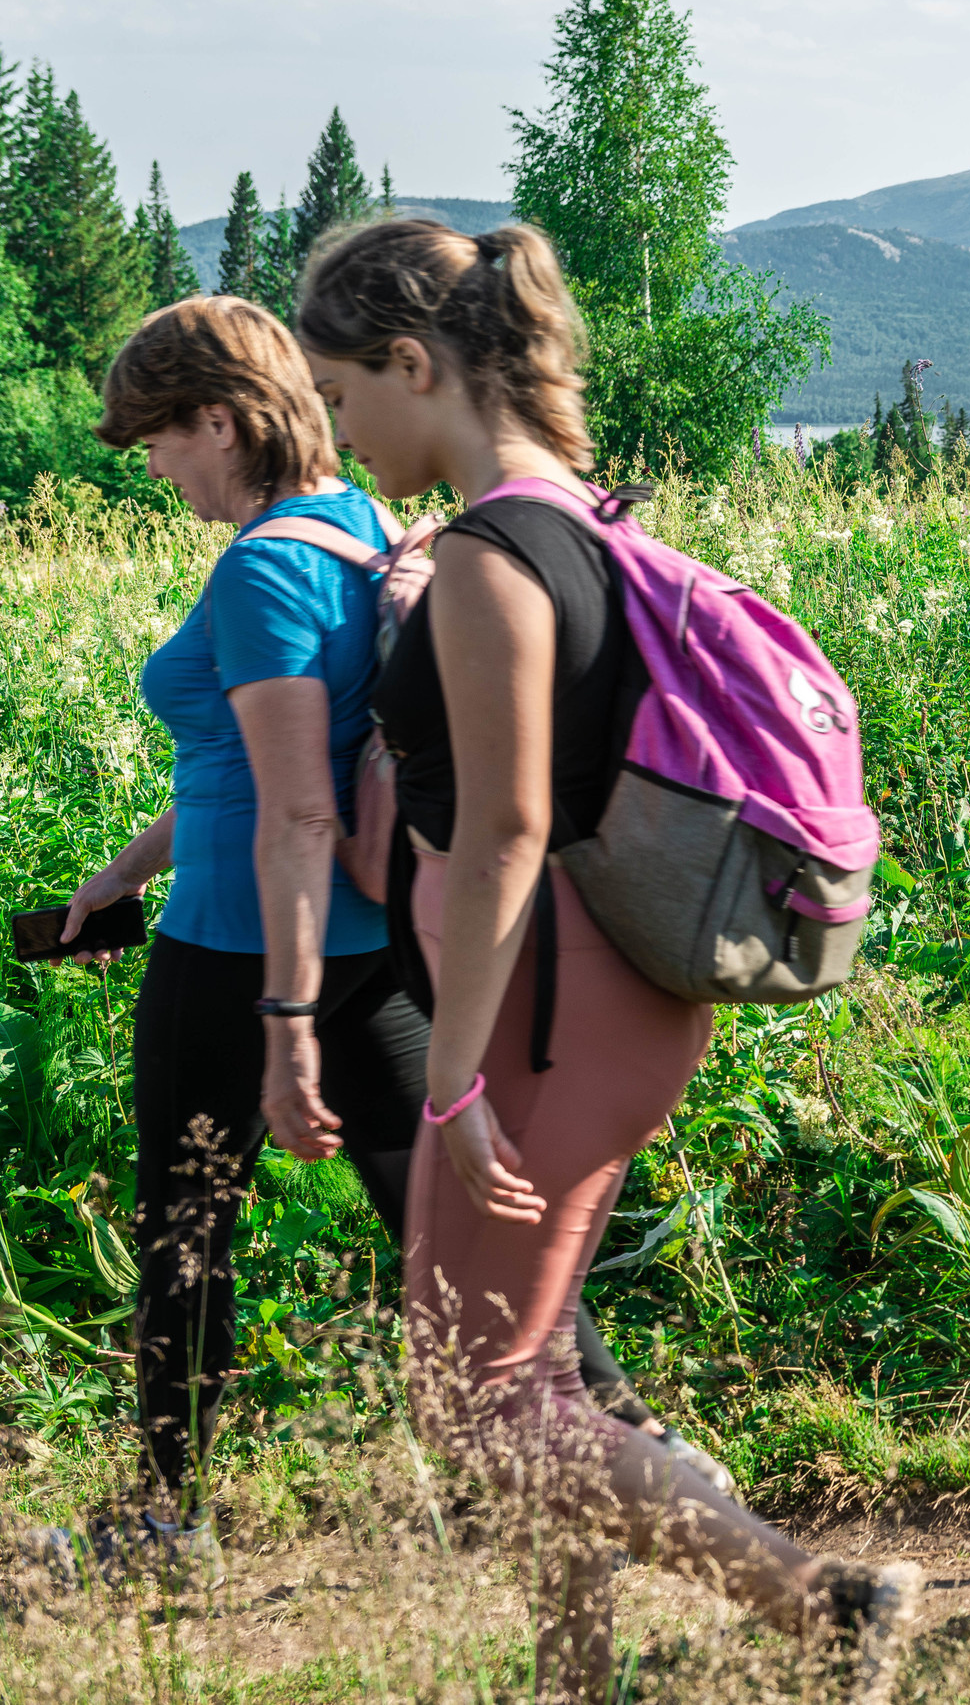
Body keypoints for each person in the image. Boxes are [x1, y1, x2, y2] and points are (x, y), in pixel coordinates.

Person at [295, 218, 917, 1703]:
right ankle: (572, 1670)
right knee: (534, 1378)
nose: (338, 430)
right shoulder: (566, 520)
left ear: (412, 362)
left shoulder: (492, 555)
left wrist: (452, 1082)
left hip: (545, 1010)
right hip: (585, 997)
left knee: (480, 1401)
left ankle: (824, 1604)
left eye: (340, 393)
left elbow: (507, 830)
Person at [50, 298, 720, 1588]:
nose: (153, 467)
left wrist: (283, 1019)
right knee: (455, 1218)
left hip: (240, 949)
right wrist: (126, 866)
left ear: (219, 420)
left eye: (156, 440)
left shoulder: (261, 568)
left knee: (186, 1227)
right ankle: (646, 1454)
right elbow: (263, 766)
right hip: (371, 939)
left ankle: (164, 1523)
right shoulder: (359, 525)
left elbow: (298, 809)